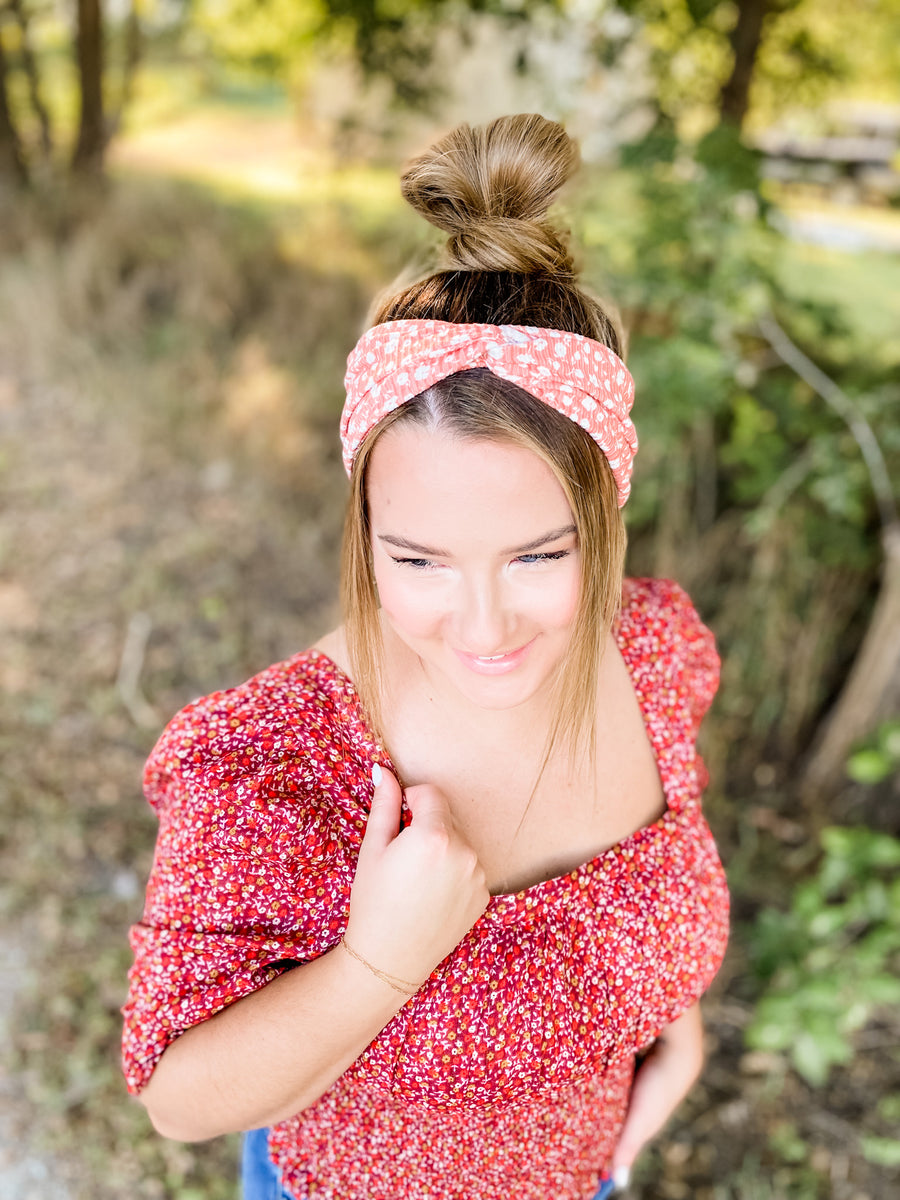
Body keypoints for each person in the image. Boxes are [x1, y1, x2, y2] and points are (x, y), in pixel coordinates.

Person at [122, 113, 729, 1200]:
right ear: (363, 530)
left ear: (612, 519)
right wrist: (377, 964)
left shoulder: (650, 650)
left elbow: (661, 863)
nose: (485, 628)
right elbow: (179, 1100)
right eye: (420, 560)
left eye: (542, 554)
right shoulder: (275, 762)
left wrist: (673, 1024)